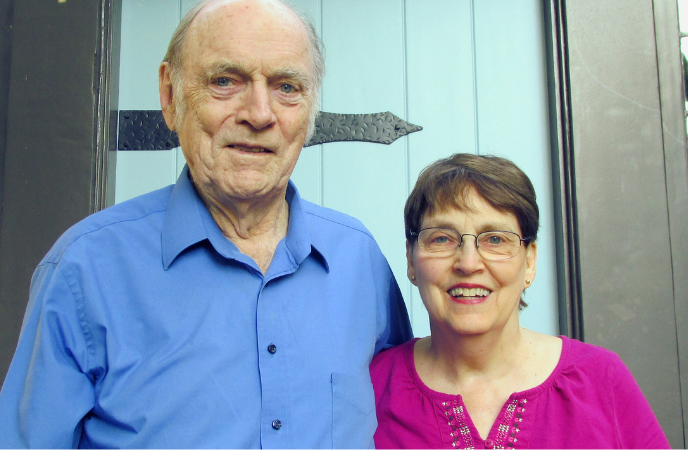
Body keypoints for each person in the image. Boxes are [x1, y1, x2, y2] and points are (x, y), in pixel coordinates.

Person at [0, 0, 412, 447]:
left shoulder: (359, 259)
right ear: (171, 95)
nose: (259, 113)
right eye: (225, 81)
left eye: (286, 87)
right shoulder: (85, 268)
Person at [370, 153, 669, 449]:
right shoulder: (371, 388)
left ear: (530, 261)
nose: (469, 263)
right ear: (411, 259)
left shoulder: (601, 380)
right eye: (442, 238)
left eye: (495, 239)